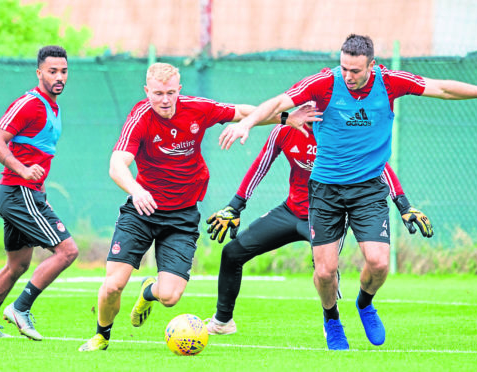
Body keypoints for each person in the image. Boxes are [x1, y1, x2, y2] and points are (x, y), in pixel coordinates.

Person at [217, 34, 477, 350]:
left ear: (372, 65)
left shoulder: (390, 82)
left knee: (379, 264)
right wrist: (248, 123)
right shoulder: (324, 83)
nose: (348, 76)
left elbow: (443, 88)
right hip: (326, 190)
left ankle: (365, 303)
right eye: (344, 69)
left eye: (355, 71)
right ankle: (332, 318)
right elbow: (280, 102)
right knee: (325, 272)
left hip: (368, 190)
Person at [78, 62, 319, 352]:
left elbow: (241, 112)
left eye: (170, 93)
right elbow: (117, 165)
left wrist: (285, 118)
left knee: (169, 296)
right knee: (114, 284)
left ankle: (148, 291)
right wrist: (137, 190)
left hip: (182, 215)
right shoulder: (140, 117)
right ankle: (101, 335)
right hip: (142, 211)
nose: (165, 100)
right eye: (157, 93)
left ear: (179, 89)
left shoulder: (197, 108)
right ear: (147, 91)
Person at [205, 117, 432, 336]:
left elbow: (379, 165)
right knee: (232, 252)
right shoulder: (284, 130)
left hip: (329, 215)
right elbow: (260, 166)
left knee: (325, 269)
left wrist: (404, 205)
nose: (314, 113)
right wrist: (235, 206)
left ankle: (331, 319)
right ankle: (223, 321)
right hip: (291, 211)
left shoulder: (344, 134)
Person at [0, 45, 79, 341]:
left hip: (25, 193)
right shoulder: (29, 103)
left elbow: (38, 155)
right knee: (67, 251)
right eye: (52, 71)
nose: (59, 77)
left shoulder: (54, 108)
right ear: (39, 73)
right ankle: (21, 308)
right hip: (17, 191)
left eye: (64, 71)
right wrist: (22, 170)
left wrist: (40, 191)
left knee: (18, 264)